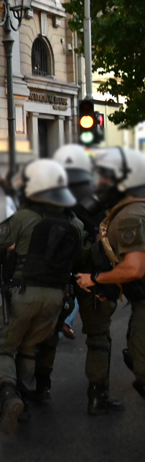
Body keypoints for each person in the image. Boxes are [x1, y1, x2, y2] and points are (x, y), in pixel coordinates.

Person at [0, 159, 86, 434]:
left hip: (24, 293)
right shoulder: (74, 223)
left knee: (2, 345)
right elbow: (80, 257)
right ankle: (26, 400)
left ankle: (10, 395)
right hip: (57, 298)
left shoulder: (25, 217)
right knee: (29, 347)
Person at [32, 144, 112, 410]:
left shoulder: (59, 200)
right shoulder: (103, 200)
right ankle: (97, 394)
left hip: (61, 276)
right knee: (98, 337)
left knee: (49, 334)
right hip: (92, 276)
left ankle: (41, 388)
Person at [77, 148, 145, 406]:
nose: (98, 185)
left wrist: (96, 279)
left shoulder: (130, 215)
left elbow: (134, 268)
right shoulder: (132, 211)